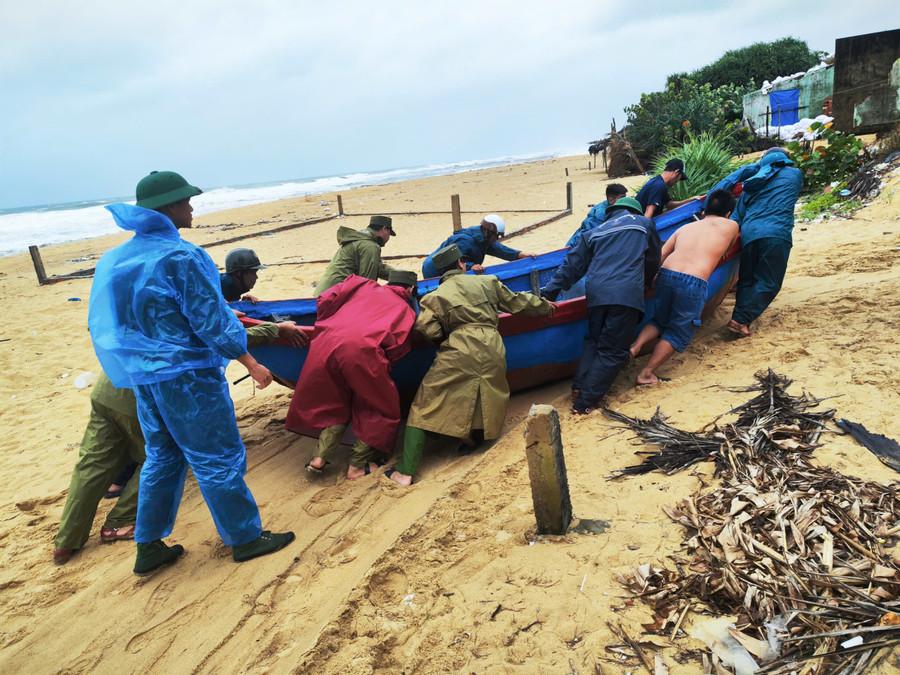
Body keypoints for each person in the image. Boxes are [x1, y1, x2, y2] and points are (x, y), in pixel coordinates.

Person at [88, 170, 295, 576]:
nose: (192, 206)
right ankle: (245, 538)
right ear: (169, 208)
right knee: (217, 456)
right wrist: (248, 360)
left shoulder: (117, 260)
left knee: (162, 457)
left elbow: (110, 324)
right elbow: (211, 321)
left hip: (145, 377)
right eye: (185, 200)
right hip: (188, 376)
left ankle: (148, 545)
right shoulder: (183, 256)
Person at [52, 321, 302, 565]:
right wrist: (263, 345)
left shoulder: (132, 285)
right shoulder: (184, 283)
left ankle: (90, 542)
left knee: (126, 462)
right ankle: (245, 538)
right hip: (172, 383)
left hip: (123, 383)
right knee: (208, 458)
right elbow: (215, 329)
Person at [388, 244, 554, 486]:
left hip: (460, 345)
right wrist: (547, 308)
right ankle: (472, 439)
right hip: (492, 344)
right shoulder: (487, 282)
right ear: (461, 264)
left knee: (425, 404)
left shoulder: (434, 297)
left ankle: (405, 472)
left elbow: (425, 328)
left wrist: (443, 336)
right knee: (486, 391)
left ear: (439, 272)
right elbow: (519, 303)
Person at [286, 271, 418, 480]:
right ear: (410, 290)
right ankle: (357, 465)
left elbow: (325, 299)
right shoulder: (405, 310)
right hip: (361, 352)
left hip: (325, 342)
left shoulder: (361, 285)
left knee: (334, 400)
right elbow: (399, 348)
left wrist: (329, 322)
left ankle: (319, 458)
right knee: (379, 407)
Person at [541, 197, 661, 413]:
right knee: (612, 351)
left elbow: (571, 267)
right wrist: (647, 281)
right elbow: (653, 258)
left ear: (611, 212)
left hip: (596, 295)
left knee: (594, 342)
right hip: (626, 294)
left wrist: (548, 292)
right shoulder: (643, 223)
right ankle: (585, 403)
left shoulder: (594, 232)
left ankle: (578, 388)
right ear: (635, 211)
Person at [629, 189, 740, 384]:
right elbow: (726, 252)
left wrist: (652, 279)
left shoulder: (684, 228)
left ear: (704, 211)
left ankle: (635, 347)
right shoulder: (731, 225)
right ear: (729, 212)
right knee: (679, 331)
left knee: (660, 319)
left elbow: (661, 255)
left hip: (666, 274)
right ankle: (646, 373)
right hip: (693, 280)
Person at [726, 148, 803, 337]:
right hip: (776, 234)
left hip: (749, 234)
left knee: (747, 279)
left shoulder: (751, 186)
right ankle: (740, 320)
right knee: (769, 281)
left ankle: (740, 319)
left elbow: (736, 218)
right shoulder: (794, 174)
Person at [421, 214, 536, 278]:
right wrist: (471, 267)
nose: (496, 239)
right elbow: (454, 260)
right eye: (496, 236)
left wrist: (520, 254)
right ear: (489, 232)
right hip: (434, 270)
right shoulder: (465, 241)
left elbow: (500, 250)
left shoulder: (484, 240)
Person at [315, 215, 399, 296]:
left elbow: (379, 269)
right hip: (334, 295)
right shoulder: (370, 246)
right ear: (384, 229)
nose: (388, 238)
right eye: (389, 234)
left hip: (326, 292)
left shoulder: (360, 240)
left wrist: (404, 277)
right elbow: (367, 282)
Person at [635, 159, 703, 218]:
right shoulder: (659, 186)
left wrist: (690, 200)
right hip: (638, 223)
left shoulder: (657, 181)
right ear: (676, 172)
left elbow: (669, 205)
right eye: (680, 178)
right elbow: (648, 213)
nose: (677, 182)